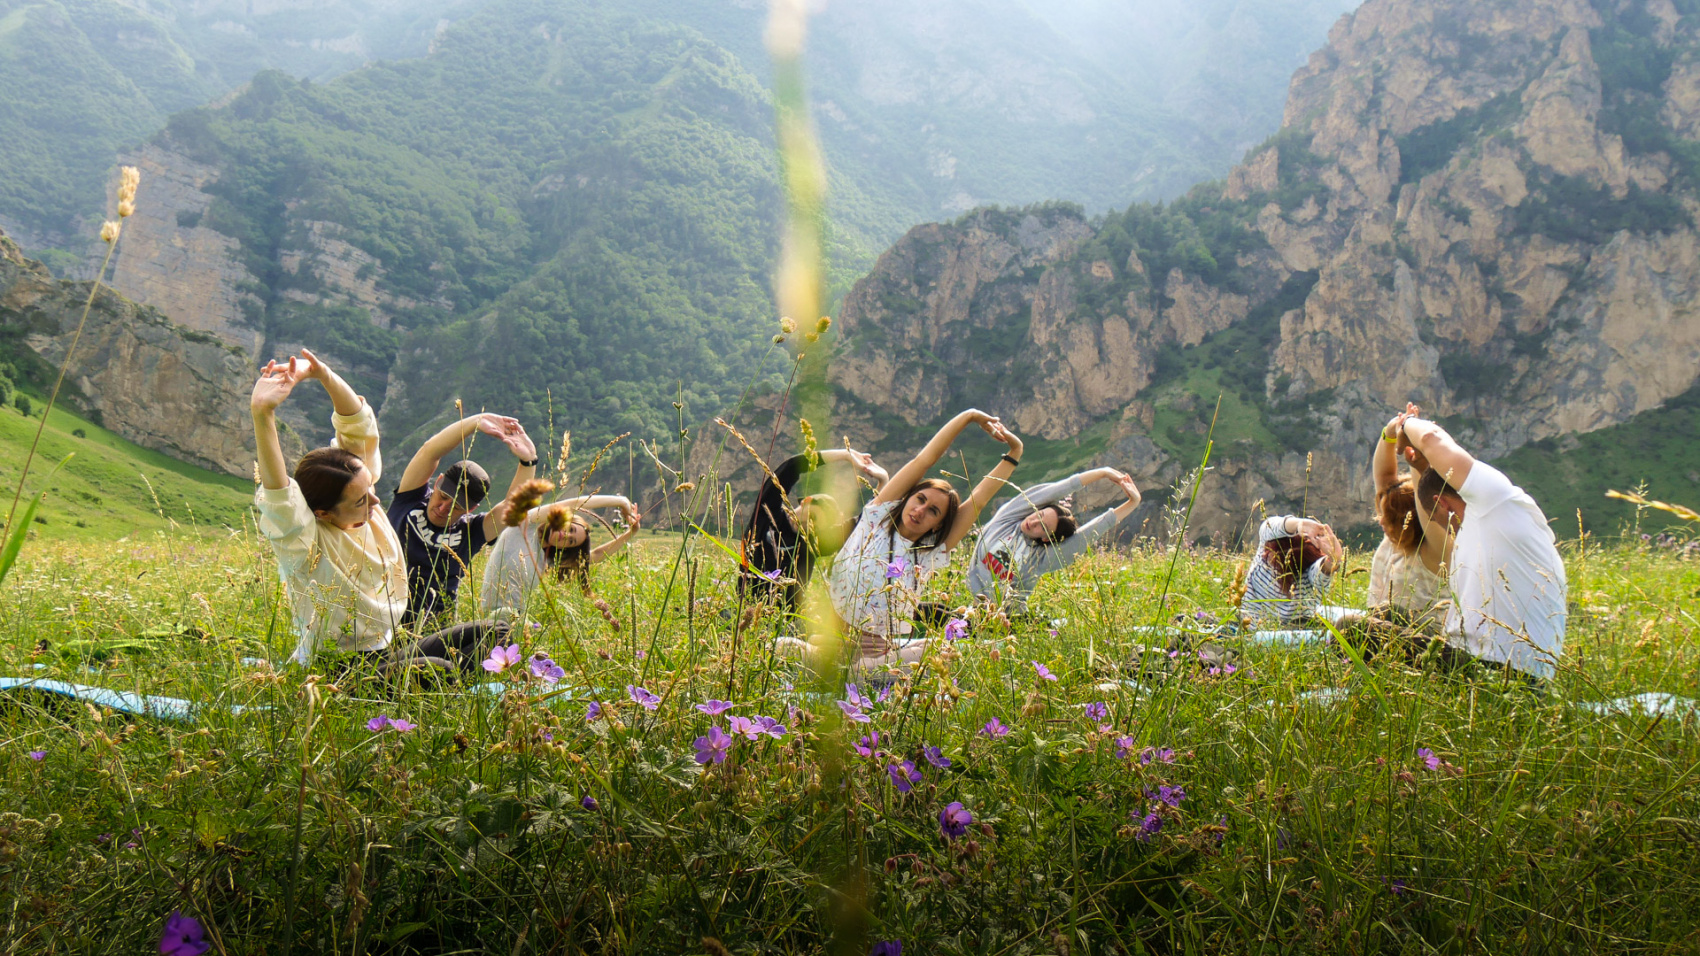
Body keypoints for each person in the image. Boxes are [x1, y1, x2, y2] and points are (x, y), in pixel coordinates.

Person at [251, 350, 507, 674]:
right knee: (436, 670)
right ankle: (450, 691)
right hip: (341, 667)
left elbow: (358, 426)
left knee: (496, 632)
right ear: (324, 513)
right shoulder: (306, 541)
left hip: (390, 646)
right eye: (361, 500)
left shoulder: (357, 488)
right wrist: (263, 414)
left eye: (370, 487)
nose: (375, 502)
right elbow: (278, 495)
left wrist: (323, 375)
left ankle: (453, 683)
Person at [826, 408, 1023, 668]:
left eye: (933, 511)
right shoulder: (878, 517)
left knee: (941, 653)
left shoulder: (928, 554)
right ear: (907, 497)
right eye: (920, 499)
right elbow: (924, 460)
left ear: (938, 525)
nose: (920, 511)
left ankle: (854, 675)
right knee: (785, 647)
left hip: (875, 657)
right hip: (833, 640)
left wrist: (1015, 452)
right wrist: (969, 416)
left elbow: (981, 498)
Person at [1396, 414, 1566, 681]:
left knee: (1350, 628)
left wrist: (1404, 424)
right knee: (1388, 615)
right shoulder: (1490, 525)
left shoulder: (1493, 499)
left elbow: (1430, 438)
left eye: (1437, 519)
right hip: (1508, 671)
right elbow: (1437, 478)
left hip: (1498, 672)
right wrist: (1420, 467)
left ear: (1443, 505)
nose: (1443, 530)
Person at [388, 413, 537, 629]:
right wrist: (474, 422)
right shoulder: (410, 499)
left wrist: (529, 461)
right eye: (443, 496)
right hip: (381, 616)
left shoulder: (472, 531)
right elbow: (429, 452)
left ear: (472, 508)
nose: (443, 508)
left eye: (456, 506)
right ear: (438, 482)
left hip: (433, 630)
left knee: (497, 630)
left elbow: (513, 506)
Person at [968, 466, 1143, 615]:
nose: (1033, 522)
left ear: (1046, 538)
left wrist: (1133, 503)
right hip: (968, 608)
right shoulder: (1007, 519)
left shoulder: (1040, 559)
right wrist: (1103, 472)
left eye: (1042, 527)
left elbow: (1089, 534)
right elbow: (1058, 489)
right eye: (1039, 514)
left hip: (1007, 622)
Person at [738, 448, 889, 610]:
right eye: (813, 518)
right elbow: (789, 469)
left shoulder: (813, 544)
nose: (813, 527)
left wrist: (884, 482)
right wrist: (846, 455)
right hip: (743, 608)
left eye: (819, 527)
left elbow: (863, 522)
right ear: (807, 501)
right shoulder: (767, 515)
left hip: (785, 622)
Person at [480, 481, 641, 618]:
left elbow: (596, 555)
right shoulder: (525, 526)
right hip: (492, 618)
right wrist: (620, 501)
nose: (565, 536)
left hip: (516, 620)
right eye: (569, 529)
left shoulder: (548, 559)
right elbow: (574, 504)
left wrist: (631, 532)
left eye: (570, 541)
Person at [1367, 408, 1446, 623]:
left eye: (1389, 517)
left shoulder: (1435, 553)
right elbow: (1384, 477)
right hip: (1381, 637)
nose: (1380, 520)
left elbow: (1426, 503)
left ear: (1409, 520)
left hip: (1420, 646)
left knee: (1346, 626)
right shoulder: (1395, 539)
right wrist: (1392, 430)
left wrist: (1417, 459)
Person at [1239, 515, 1344, 626]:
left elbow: (1322, 573)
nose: (1267, 554)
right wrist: (1299, 524)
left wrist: (1333, 559)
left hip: (1287, 635)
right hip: (1249, 627)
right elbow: (1269, 526)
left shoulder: (1306, 576)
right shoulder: (1263, 555)